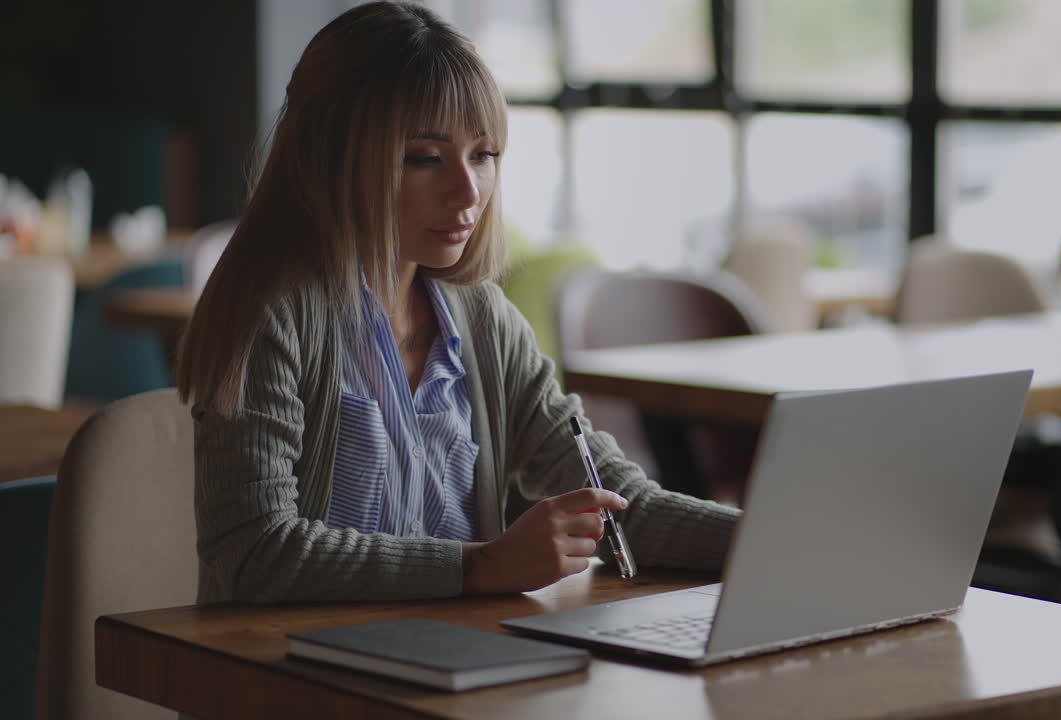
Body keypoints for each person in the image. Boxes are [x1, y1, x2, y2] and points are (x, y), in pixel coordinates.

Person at [175, 1, 740, 604]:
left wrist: (784, 539)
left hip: (459, 673)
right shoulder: (271, 315)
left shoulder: (484, 322)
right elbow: (253, 554)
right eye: (425, 158)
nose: (468, 191)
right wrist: (484, 566)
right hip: (290, 684)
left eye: (484, 155)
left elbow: (624, 507)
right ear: (330, 155)